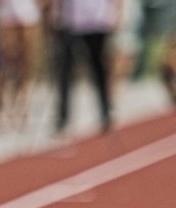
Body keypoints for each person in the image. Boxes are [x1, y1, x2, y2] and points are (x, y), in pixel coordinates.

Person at [48, 0, 122, 136]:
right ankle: (63, 117)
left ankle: (105, 113)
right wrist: (56, 11)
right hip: (71, 21)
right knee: (65, 70)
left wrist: (116, 12)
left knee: (98, 69)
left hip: (98, 20)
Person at [0, 0, 43, 131]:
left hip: (28, 14)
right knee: (5, 64)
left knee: (26, 65)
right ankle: (3, 108)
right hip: (6, 15)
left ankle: (22, 107)